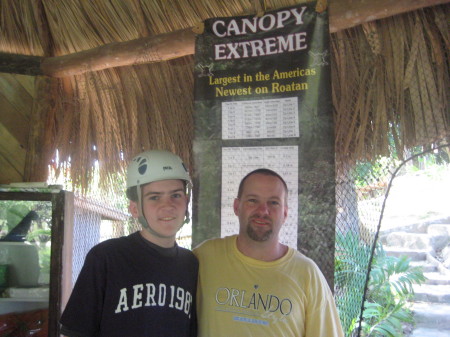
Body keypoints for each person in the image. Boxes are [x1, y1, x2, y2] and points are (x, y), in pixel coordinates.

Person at [60, 150, 198, 337]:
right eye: (154, 197)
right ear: (135, 208)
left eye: (176, 195)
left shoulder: (190, 264)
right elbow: (75, 332)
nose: (168, 206)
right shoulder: (106, 257)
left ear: (187, 201)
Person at [193, 168, 344, 337]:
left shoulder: (307, 274)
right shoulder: (205, 257)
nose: (263, 211)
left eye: (273, 202)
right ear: (237, 207)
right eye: (252, 200)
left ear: (285, 213)